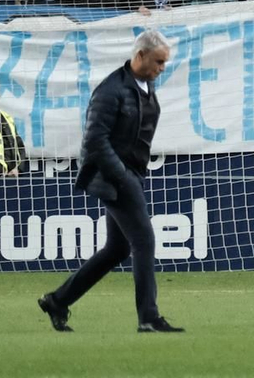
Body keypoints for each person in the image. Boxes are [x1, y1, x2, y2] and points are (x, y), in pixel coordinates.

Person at [38, 31, 181, 333]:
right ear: (140, 55)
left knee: (117, 249)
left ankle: (58, 300)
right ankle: (149, 317)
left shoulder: (144, 85)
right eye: (158, 62)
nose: (162, 68)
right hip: (114, 176)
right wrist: (122, 175)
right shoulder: (110, 90)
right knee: (144, 241)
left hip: (128, 174)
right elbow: (94, 140)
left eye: (164, 63)